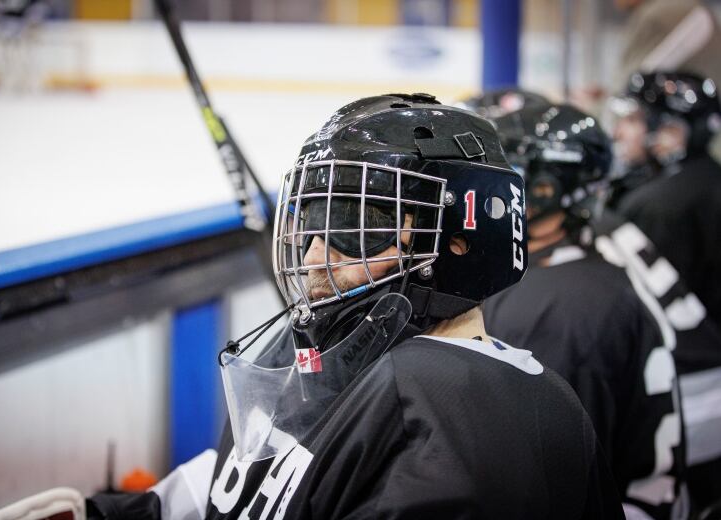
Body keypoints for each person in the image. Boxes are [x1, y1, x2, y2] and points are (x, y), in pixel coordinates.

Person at [83, 94, 623, 519]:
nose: (315, 256)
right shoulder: (328, 350)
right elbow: (241, 487)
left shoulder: (457, 411)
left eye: (352, 225)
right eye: (315, 222)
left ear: (461, 240)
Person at [483, 102, 687, 520]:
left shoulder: (560, 308)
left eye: (508, 169)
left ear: (545, 188)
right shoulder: (574, 271)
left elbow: (553, 474)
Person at [610, 71, 721, 514]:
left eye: (635, 120)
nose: (621, 131)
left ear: (671, 132)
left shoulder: (655, 205)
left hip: (683, 389)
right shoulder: (706, 183)